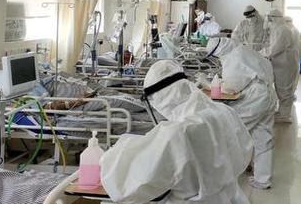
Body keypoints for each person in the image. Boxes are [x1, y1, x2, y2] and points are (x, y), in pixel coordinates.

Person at [101, 60, 253, 204]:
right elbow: (245, 151)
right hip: (230, 197)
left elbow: (127, 186)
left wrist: (107, 158)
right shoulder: (224, 111)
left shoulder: (177, 133)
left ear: (158, 98)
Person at [206, 37, 278, 189]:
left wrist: (209, 84)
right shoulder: (242, 50)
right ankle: (262, 179)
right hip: (268, 93)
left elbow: (231, 88)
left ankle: (224, 175)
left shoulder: (233, 59)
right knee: (263, 136)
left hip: (256, 97)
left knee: (233, 130)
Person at [261, 9, 298, 123]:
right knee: (281, 88)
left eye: (270, 18)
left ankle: (285, 116)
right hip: (280, 63)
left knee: (285, 89)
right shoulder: (278, 29)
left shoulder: (283, 30)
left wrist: (262, 54)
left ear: (274, 18)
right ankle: (282, 112)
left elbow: (276, 48)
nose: (268, 20)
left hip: (285, 64)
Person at [284, 16, 301, 87]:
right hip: (293, 55)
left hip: (290, 55)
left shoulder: (292, 31)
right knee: (292, 74)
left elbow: (287, 44)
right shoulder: (294, 29)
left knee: (290, 75)